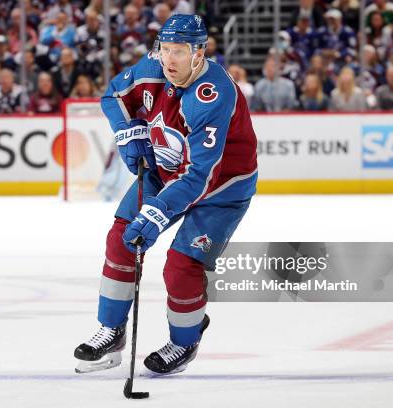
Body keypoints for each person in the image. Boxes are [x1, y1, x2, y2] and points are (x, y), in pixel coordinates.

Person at [74, 14, 258, 376]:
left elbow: (200, 175)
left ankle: (184, 340)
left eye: (180, 51)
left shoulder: (212, 95)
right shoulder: (154, 67)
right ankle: (111, 329)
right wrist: (130, 132)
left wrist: (157, 212)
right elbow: (113, 96)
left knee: (181, 266)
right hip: (166, 172)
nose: (169, 60)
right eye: (165, 49)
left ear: (199, 53)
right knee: (120, 241)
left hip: (221, 187)